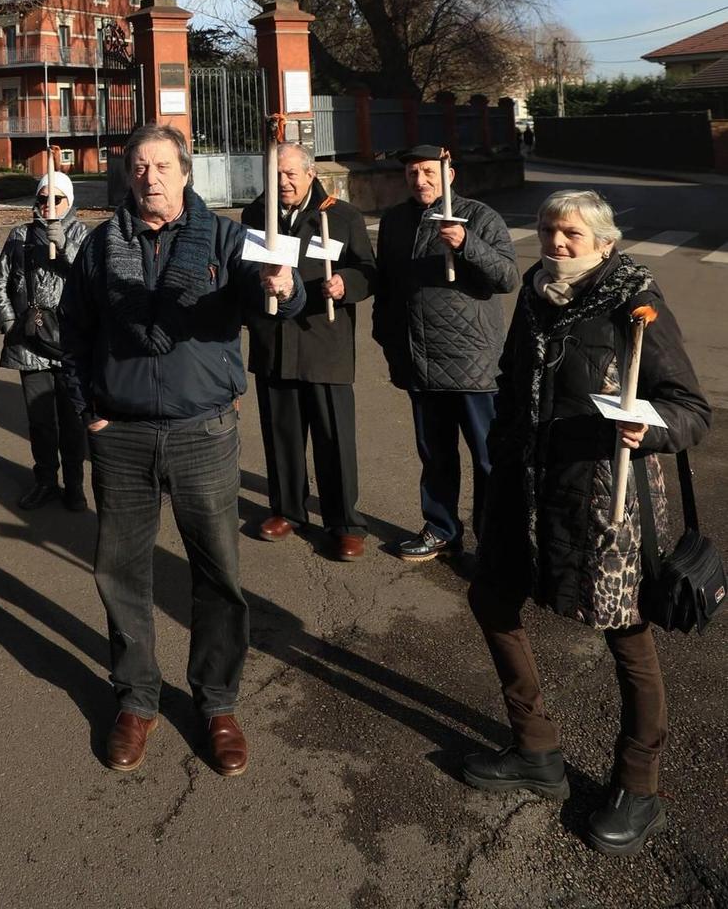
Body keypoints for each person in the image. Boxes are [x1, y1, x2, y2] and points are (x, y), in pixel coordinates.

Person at [462, 191, 709, 856]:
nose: (555, 242)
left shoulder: (634, 301)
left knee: (626, 639)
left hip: (603, 502)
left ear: (603, 242)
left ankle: (638, 785)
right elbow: (513, 380)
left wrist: (647, 426)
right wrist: (501, 450)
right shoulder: (538, 292)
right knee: (490, 599)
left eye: (569, 233)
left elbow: (689, 406)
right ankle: (534, 748)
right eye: (546, 229)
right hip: (523, 487)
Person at [59, 123, 304, 778]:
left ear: (185, 172)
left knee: (216, 575)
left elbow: (271, 293)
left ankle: (217, 703)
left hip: (203, 433)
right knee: (120, 575)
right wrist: (89, 410)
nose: (150, 177)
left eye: (162, 165)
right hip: (123, 437)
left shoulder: (224, 237)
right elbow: (72, 333)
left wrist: (283, 286)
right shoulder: (100, 246)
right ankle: (136, 699)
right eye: (139, 166)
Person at [372, 145, 518, 562]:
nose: (420, 180)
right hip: (419, 361)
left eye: (429, 172)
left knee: (488, 459)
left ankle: (495, 544)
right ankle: (440, 529)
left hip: (472, 364)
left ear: (448, 173)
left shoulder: (480, 216)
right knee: (435, 454)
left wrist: (466, 241)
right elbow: (387, 285)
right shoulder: (396, 221)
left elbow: (506, 277)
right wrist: (388, 340)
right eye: (413, 173)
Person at [241, 143, 376, 557]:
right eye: (275, 175)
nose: (282, 182)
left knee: (334, 437)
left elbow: (368, 271)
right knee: (281, 433)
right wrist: (256, 284)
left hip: (324, 341)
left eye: (290, 174)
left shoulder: (341, 216)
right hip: (275, 343)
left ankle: (344, 521)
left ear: (310, 173)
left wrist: (345, 284)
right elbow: (243, 267)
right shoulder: (255, 215)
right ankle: (288, 510)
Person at [0, 169, 90, 512]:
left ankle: (74, 484)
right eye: (42, 199)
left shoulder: (81, 232)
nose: (49, 206)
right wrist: (9, 325)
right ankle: (45, 480)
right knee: (40, 421)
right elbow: (0, 282)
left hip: (70, 342)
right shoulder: (19, 235)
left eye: (57, 199)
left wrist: (63, 245)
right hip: (30, 341)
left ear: (69, 202)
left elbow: (89, 279)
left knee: (73, 421)